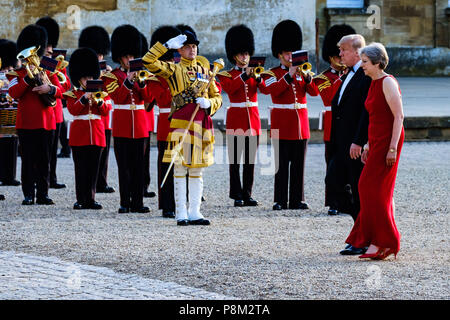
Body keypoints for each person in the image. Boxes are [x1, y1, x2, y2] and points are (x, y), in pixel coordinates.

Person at [142, 26, 222, 226]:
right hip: (181, 123)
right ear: (179, 50)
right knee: (179, 169)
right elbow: (148, 62)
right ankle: (181, 213)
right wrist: (166, 46)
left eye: (194, 46)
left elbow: (217, 97)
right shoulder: (174, 69)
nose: (192, 50)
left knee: (197, 170)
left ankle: (195, 211)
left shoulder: (206, 72)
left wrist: (209, 104)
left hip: (201, 124)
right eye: (187, 47)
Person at [344, 43, 404, 260]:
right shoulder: (373, 82)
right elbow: (374, 117)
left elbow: (398, 117)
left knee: (375, 191)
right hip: (376, 141)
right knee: (368, 189)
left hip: (389, 141)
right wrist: (368, 143)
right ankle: (376, 240)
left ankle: (387, 241)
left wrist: (392, 148)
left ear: (378, 63)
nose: (362, 66)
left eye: (365, 62)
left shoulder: (388, 82)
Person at [260, 19, 319, 211]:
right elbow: (273, 91)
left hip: (301, 125)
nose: (290, 56)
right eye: (287, 53)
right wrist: (289, 75)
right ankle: (279, 200)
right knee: (281, 165)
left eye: (292, 52)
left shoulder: (303, 73)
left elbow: (314, 93)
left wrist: (309, 79)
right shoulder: (271, 74)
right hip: (281, 124)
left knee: (299, 166)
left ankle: (297, 199)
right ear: (279, 54)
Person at [8, 24, 63, 205]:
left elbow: (63, 88)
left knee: (44, 160)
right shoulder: (18, 72)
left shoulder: (47, 66)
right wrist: (26, 80)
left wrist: (50, 88)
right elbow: (14, 93)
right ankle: (28, 194)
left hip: (47, 121)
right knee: (28, 160)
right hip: (26, 122)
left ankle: (43, 194)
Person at [102, 24, 152, 214]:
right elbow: (118, 97)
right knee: (124, 167)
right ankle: (125, 202)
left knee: (139, 166)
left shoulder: (142, 75)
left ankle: (138, 202)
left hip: (139, 125)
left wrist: (140, 81)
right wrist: (129, 80)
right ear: (119, 57)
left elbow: (147, 97)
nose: (130, 60)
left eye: (133, 56)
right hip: (122, 125)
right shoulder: (112, 77)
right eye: (126, 56)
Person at [217, 24, 265, 207]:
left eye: (247, 53)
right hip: (236, 119)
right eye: (241, 54)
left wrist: (258, 78)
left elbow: (267, 90)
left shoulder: (255, 73)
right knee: (235, 160)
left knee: (250, 161)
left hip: (252, 119)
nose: (245, 57)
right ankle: (236, 193)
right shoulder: (227, 75)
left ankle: (247, 193)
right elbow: (229, 88)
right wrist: (245, 76)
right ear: (234, 55)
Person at [313, 24, 355, 216]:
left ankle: (349, 200)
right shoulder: (323, 78)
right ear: (330, 57)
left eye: (342, 54)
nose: (341, 59)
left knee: (350, 165)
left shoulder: (354, 76)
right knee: (331, 168)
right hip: (332, 127)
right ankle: (333, 202)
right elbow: (328, 98)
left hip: (349, 127)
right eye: (338, 56)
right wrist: (342, 78)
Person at [64, 48, 111, 210]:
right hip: (79, 135)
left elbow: (105, 111)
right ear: (79, 79)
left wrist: (98, 100)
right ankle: (80, 199)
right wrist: (84, 98)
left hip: (96, 135)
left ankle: (90, 198)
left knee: (93, 169)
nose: (88, 80)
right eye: (85, 78)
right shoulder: (73, 94)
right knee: (81, 169)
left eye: (91, 77)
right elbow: (73, 111)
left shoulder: (101, 94)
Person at [146, 25, 181, 219]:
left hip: (185, 124)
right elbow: (163, 98)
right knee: (166, 167)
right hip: (166, 125)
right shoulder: (155, 77)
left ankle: (183, 202)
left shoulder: (183, 70)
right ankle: (167, 204)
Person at [78, 25, 115, 194]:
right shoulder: (84, 70)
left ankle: (102, 181)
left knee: (104, 151)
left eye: (101, 54)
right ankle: (92, 184)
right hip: (89, 116)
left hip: (104, 114)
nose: (99, 57)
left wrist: (108, 74)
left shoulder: (107, 71)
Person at [36, 16, 68, 190]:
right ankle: (41, 179)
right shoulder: (37, 62)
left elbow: (66, 85)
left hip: (56, 114)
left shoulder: (57, 62)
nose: (49, 49)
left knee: (53, 150)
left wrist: (56, 68)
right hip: (42, 112)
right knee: (42, 151)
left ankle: (52, 178)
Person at [0, 39, 20, 189]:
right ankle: (6, 175)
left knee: (11, 143)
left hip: (11, 113)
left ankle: (8, 176)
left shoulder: (13, 76)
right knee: (7, 145)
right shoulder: (12, 76)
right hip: (6, 112)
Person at [139, 32, 157, 199]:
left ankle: (144, 185)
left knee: (145, 157)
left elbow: (151, 97)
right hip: (135, 119)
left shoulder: (149, 75)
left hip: (146, 119)